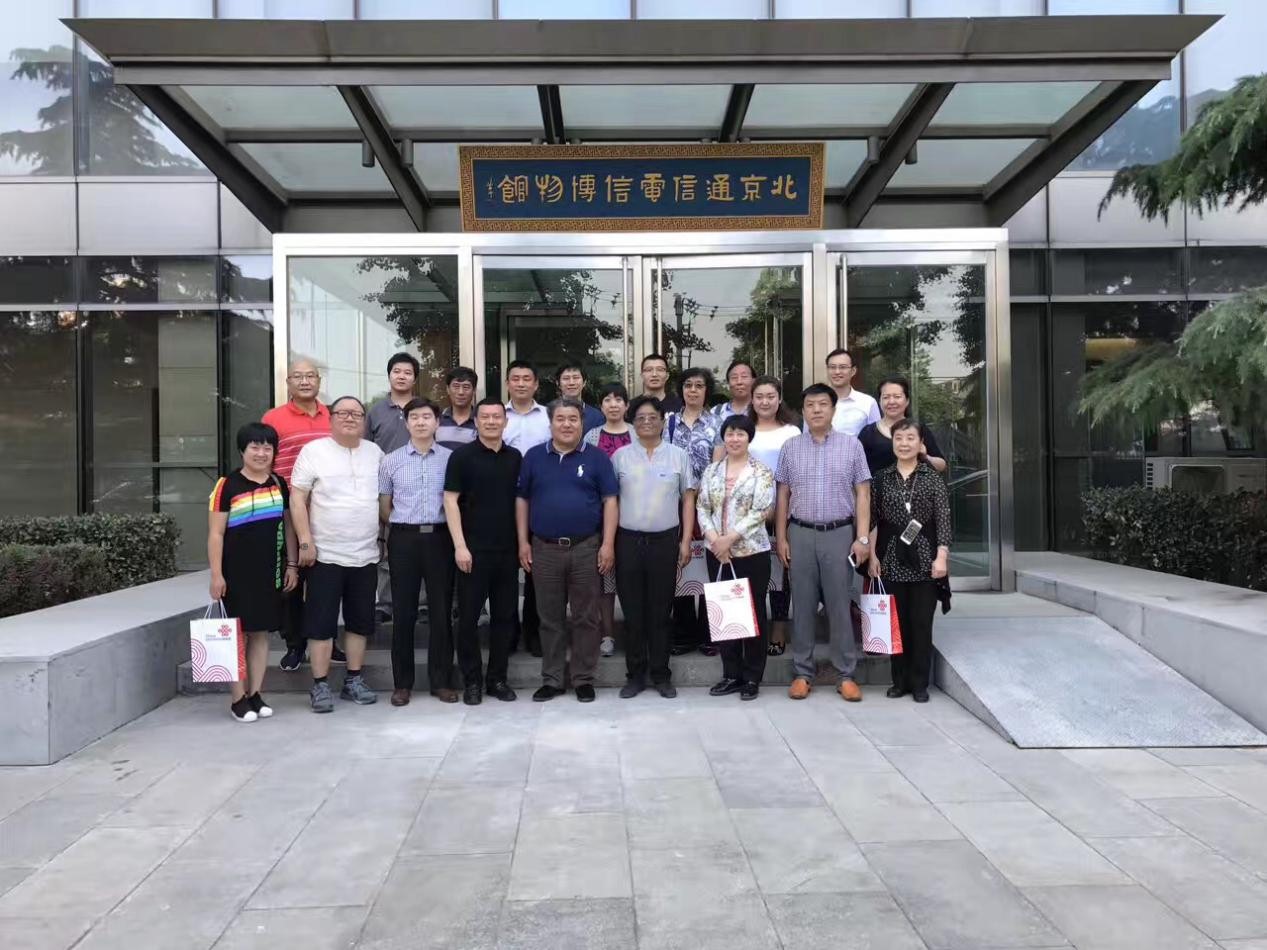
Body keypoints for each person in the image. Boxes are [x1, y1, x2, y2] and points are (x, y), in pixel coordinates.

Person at [515, 396, 618, 703]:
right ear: (550, 423)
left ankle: (583, 678)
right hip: (544, 549)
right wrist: (523, 541)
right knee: (550, 618)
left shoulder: (597, 458)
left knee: (587, 617)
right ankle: (553, 679)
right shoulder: (534, 457)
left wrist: (608, 544)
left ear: (582, 423)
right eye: (560, 419)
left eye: (573, 419)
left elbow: (610, 501)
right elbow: (522, 500)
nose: (567, 424)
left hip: (586, 548)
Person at [775, 383, 872, 703]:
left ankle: (845, 674)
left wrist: (861, 537)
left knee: (839, 605)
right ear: (802, 411)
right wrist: (781, 537)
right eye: (810, 405)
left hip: (839, 534)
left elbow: (863, 493)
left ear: (833, 409)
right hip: (800, 533)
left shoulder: (852, 446)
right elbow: (783, 494)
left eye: (822, 404)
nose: (816, 410)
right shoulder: (790, 447)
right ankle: (803, 673)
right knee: (802, 605)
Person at [290, 396, 384, 713]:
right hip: (324, 555)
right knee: (321, 623)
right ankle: (319, 685)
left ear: (364, 420)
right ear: (330, 418)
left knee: (360, 622)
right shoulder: (314, 451)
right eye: (342, 413)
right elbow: (297, 498)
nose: (349, 418)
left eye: (356, 413)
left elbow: (384, 500)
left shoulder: (375, 454)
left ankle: (353, 680)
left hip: (365, 554)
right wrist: (305, 540)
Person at [208, 422, 298, 723]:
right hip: (235, 574)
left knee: (261, 633)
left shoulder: (278, 483)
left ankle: (255, 693)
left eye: (267, 448)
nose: (261, 453)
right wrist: (216, 575)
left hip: (269, 572)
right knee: (237, 635)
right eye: (255, 447)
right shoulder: (227, 485)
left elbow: (288, 527)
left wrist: (292, 564)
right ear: (242, 451)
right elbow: (216, 534)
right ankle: (238, 699)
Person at [612, 396, 696, 699]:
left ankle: (661, 674)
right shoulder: (620, 457)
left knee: (661, 612)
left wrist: (685, 540)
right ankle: (635, 675)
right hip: (628, 541)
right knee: (633, 612)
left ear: (662, 421)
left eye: (653, 417)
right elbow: (611, 502)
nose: (647, 422)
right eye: (640, 417)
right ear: (632, 423)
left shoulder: (678, 456)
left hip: (665, 541)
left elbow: (688, 499)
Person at [262, 358, 340, 673]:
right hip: (287, 511)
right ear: (288, 383)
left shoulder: (333, 416)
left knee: (329, 581)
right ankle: (295, 644)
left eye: (310, 376)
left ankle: (329, 639)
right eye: (298, 376)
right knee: (291, 580)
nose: (305, 381)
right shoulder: (273, 418)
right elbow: (264, 461)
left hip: (328, 512)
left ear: (319, 381)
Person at [867, 418, 951, 703]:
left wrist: (942, 557)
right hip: (891, 559)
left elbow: (943, 521)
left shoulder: (932, 477)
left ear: (920, 443)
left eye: (910, 438)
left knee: (921, 624)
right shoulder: (881, 478)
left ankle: (919, 684)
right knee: (897, 624)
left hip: (925, 560)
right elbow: (873, 521)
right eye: (899, 438)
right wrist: (873, 556)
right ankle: (899, 681)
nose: (904, 444)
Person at [444, 398, 521, 706]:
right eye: (485, 417)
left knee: (504, 618)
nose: (491, 421)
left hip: (507, 551)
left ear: (505, 421)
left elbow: (521, 503)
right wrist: (460, 546)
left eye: (496, 417)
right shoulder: (462, 457)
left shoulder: (515, 457)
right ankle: (472, 680)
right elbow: (450, 500)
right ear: (476, 422)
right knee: (468, 620)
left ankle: (497, 679)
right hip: (472, 552)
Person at [378, 398, 454, 708]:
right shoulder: (390, 461)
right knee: (403, 612)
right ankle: (402, 684)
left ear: (437, 422)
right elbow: (385, 506)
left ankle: (442, 681)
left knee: (441, 612)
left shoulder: (451, 459)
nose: (421, 422)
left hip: (440, 538)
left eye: (426, 417)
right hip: (404, 540)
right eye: (414, 417)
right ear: (406, 422)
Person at [697, 414, 776, 702]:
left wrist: (729, 538)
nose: (734, 439)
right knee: (725, 611)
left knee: (753, 613)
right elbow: (702, 507)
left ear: (749, 438)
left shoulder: (761, 472)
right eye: (730, 433)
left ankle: (752, 677)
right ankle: (731, 674)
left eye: (740, 434)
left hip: (751, 552)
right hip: (717, 552)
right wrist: (714, 539)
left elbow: (760, 511)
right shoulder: (712, 471)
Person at [665, 367, 721, 656]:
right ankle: (684, 633)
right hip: (674, 505)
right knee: (682, 564)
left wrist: (699, 492)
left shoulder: (717, 423)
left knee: (710, 567)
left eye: (699, 385)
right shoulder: (668, 422)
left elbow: (718, 467)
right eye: (688, 385)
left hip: (709, 505)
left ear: (706, 390)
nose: (693, 390)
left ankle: (710, 633)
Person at [747, 375, 801, 658]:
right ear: (752, 400)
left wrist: (782, 510)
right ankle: (749, 629)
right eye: (759, 397)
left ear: (779, 399)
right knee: (751, 574)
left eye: (770, 396)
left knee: (781, 573)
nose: (765, 402)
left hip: (783, 511)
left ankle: (779, 628)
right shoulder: (744, 429)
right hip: (746, 516)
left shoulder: (791, 432)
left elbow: (796, 474)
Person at [367, 352, 422, 624]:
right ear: (389, 375)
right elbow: (366, 448)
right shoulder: (376, 411)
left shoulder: (423, 408)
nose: (402, 376)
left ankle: (423, 603)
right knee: (387, 545)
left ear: (415, 378)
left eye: (408, 372)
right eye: (397, 371)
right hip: (384, 488)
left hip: (419, 488)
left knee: (423, 545)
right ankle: (386, 602)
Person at [583, 382, 633, 657]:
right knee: (604, 577)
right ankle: (607, 634)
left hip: (634, 514)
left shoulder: (637, 433)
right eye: (607, 400)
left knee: (630, 576)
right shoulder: (591, 435)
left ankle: (636, 631)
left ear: (627, 405)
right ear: (600, 406)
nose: (613, 405)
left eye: (618, 400)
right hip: (599, 515)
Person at [503, 360, 549, 656]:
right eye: (515, 378)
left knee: (537, 572)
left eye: (526, 378)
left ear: (535, 384)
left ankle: (534, 632)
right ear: (508, 383)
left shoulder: (548, 417)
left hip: (539, 500)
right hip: (502, 501)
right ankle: (508, 632)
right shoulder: (496, 415)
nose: (521, 383)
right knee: (506, 571)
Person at [858, 376, 948, 477]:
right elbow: (857, 470)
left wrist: (926, 457)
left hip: (916, 486)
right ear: (879, 401)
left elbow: (942, 465)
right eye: (886, 397)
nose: (891, 401)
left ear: (907, 401)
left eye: (897, 396)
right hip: (876, 487)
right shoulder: (868, 432)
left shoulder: (919, 429)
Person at [822, 348, 881, 437]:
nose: (837, 372)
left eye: (842, 367)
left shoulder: (868, 403)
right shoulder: (815, 402)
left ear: (853, 371)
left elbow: (875, 438)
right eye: (832, 367)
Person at [437, 366, 479, 451]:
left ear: (474, 391)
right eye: (456, 386)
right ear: (448, 389)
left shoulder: (481, 420)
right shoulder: (437, 419)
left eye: (466, 387)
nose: (461, 392)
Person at [557, 361, 604, 434]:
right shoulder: (548, 414)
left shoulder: (597, 417)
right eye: (566, 378)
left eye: (576, 378)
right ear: (558, 383)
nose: (571, 383)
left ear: (584, 382)